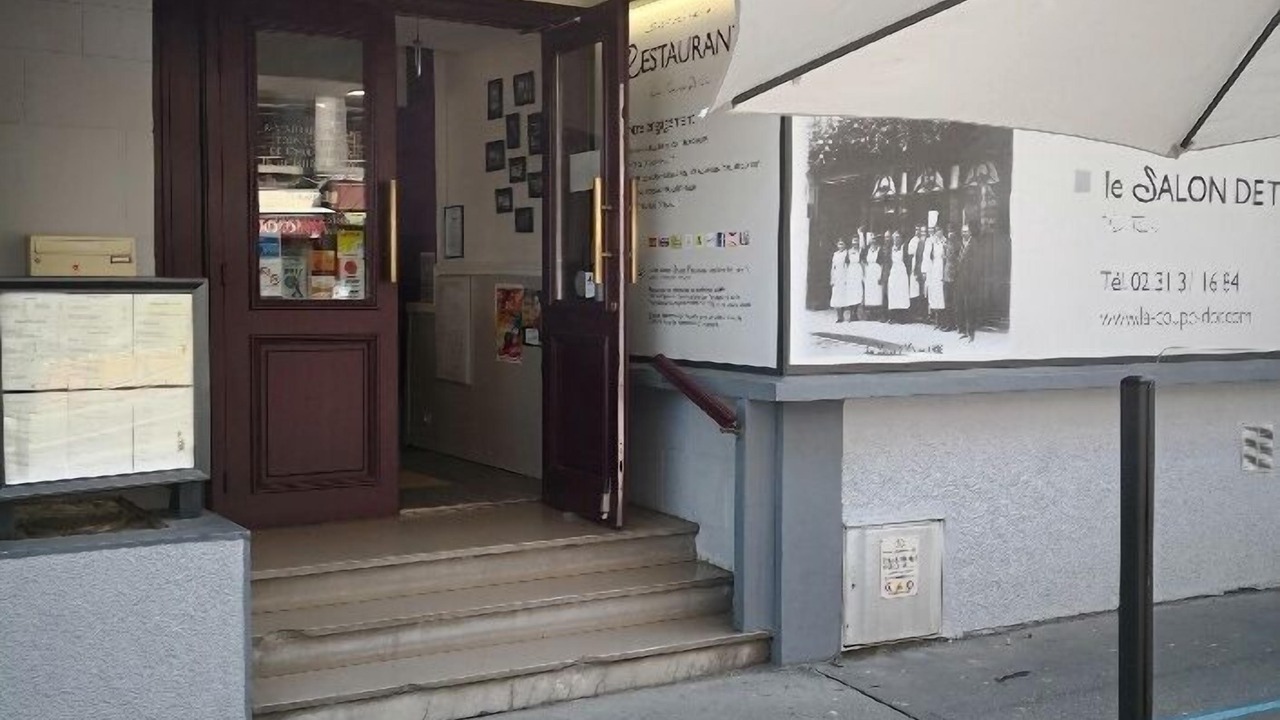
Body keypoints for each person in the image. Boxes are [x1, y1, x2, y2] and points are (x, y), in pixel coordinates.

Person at [954, 224, 981, 340]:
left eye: (966, 231)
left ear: (970, 232)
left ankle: (971, 332)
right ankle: (963, 329)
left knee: (970, 306)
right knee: (961, 305)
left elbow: (977, 265)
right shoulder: (960, 244)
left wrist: (973, 281)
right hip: (960, 280)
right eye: (962, 231)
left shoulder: (974, 244)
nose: (964, 233)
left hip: (970, 280)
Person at [924, 225, 948, 327]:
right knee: (934, 293)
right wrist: (925, 271)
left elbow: (949, 255)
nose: (938, 233)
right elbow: (927, 257)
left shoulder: (945, 242)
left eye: (940, 231)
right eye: (936, 231)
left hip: (942, 268)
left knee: (942, 294)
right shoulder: (931, 242)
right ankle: (936, 318)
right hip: (934, 269)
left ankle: (943, 319)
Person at [828, 237, 857, 322]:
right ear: (837, 245)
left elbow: (848, 267)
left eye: (842, 244)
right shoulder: (835, 254)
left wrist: (848, 278)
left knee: (844, 296)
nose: (841, 246)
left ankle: (848, 316)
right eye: (839, 244)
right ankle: (839, 317)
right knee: (836, 296)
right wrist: (832, 278)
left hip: (844, 276)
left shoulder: (846, 253)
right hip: (837, 277)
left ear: (845, 245)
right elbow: (833, 267)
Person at [886, 230, 910, 322]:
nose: (896, 240)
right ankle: (893, 316)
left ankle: (902, 317)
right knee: (893, 293)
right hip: (894, 271)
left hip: (902, 271)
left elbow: (907, 261)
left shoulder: (904, 248)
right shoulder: (891, 249)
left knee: (902, 293)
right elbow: (888, 261)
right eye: (894, 238)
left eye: (898, 237)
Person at [862, 232, 886, 321]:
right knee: (869, 293)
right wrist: (864, 273)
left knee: (878, 293)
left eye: (874, 240)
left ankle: (879, 314)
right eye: (872, 240)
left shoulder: (880, 250)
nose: (873, 242)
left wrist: (880, 276)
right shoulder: (867, 251)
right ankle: (870, 314)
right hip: (869, 273)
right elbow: (863, 262)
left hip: (877, 271)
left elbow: (882, 264)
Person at [907, 224, 927, 320]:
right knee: (915, 291)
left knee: (923, 291)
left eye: (920, 230)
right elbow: (911, 254)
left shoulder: (925, 241)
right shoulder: (913, 241)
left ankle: (923, 313)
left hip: (924, 267)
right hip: (915, 267)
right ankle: (916, 312)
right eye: (916, 230)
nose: (918, 232)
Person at [942, 227, 961, 330]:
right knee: (948, 301)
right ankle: (950, 323)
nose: (950, 236)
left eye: (951, 234)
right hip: (947, 276)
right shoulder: (949, 245)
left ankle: (952, 324)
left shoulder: (956, 246)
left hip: (952, 277)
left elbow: (955, 260)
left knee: (951, 301)